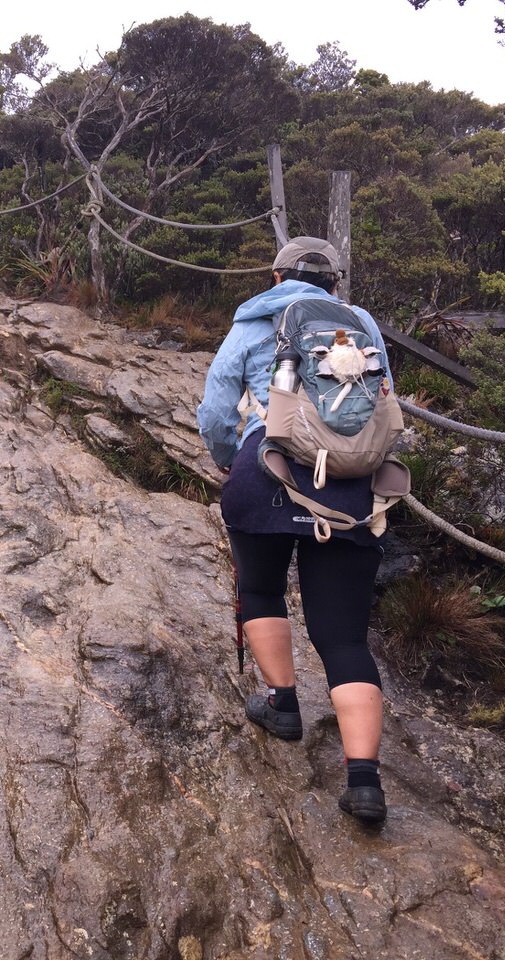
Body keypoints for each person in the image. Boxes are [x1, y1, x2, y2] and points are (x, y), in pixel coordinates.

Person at [196, 237, 392, 824]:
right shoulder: (360, 326)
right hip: (351, 490)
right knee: (345, 637)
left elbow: (215, 404)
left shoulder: (255, 318)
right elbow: (380, 404)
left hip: (267, 472)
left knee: (260, 589)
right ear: (335, 281)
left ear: (276, 272)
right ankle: (364, 783)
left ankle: (282, 705)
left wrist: (229, 459)